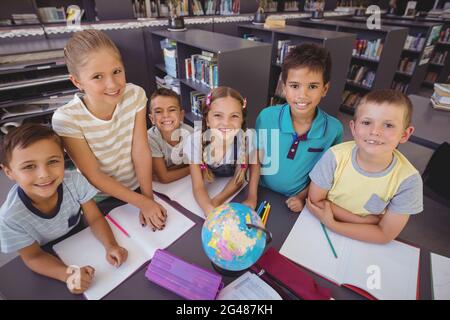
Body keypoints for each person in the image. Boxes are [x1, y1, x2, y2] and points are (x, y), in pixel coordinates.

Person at [52, 29, 166, 231]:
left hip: (139, 184)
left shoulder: (135, 95)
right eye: (97, 76)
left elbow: (140, 149)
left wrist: (147, 197)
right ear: (77, 82)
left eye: (117, 71)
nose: (112, 84)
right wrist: (142, 203)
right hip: (100, 198)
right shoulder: (67, 119)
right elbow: (93, 175)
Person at [0, 124, 128, 294]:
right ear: (8, 172)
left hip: (79, 235)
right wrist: (68, 274)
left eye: (53, 161)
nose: (44, 174)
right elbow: (33, 256)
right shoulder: (9, 218)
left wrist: (111, 245)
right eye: (29, 166)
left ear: (63, 158)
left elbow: (95, 218)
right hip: (47, 253)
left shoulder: (75, 181)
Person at [307, 90, 423, 244]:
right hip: (316, 228)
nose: (375, 132)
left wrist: (333, 224)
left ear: (405, 134)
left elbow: (384, 234)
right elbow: (315, 201)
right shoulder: (335, 156)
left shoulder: (409, 181)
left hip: (359, 239)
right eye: (367, 122)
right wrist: (363, 221)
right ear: (353, 128)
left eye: (388, 125)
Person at [255, 43, 343, 213]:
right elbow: (255, 160)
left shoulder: (334, 129)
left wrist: (302, 197)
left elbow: (324, 175)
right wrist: (252, 195)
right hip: (261, 192)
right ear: (284, 87)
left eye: (312, 86)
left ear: (324, 89)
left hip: (296, 202)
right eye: (295, 86)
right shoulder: (266, 117)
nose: (302, 95)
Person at [184, 86, 260, 216]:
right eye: (218, 115)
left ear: (242, 120)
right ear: (207, 120)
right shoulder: (195, 141)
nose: (226, 123)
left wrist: (251, 197)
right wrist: (208, 208)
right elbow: (198, 187)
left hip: (233, 186)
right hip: (212, 182)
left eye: (234, 116)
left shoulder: (246, 139)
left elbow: (239, 179)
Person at [147, 88, 193, 183]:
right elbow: (164, 178)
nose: (166, 115)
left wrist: (169, 172)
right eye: (158, 111)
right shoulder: (150, 139)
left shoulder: (189, 132)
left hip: (184, 181)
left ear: (181, 115)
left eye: (172, 110)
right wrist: (193, 168)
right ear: (152, 119)